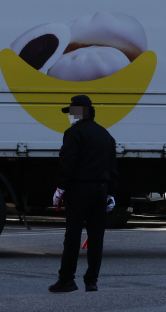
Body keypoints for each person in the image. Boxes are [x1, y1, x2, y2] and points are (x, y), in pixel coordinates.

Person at [49, 95, 118, 293]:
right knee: (96, 237)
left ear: (79, 113)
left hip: (80, 190)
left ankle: (67, 279)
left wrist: (60, 188)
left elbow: (67, 162)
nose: (70, 116)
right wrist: (111, 192)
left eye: (72, 112)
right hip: (101, 191)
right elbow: (113, 166)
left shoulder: (73, 133)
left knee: (73, 235)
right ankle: (92, 281)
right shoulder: (106, 135)